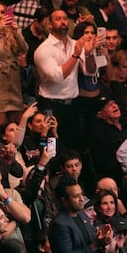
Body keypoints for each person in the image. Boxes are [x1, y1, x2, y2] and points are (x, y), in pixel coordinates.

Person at [34, 9, 98, 151]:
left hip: (72, 104)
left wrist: (88, 54)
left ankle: (72, 172)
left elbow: (90, 71)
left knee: (74, 146)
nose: (63, 21)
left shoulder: (75, 43)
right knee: (51, 146)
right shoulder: (43, 50)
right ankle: (47, 170)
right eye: (58, 19)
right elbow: (57, 77)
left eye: (65, 18)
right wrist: (75, 55)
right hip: (51, 105)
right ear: (50, 24)